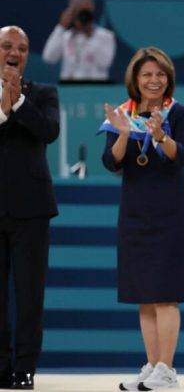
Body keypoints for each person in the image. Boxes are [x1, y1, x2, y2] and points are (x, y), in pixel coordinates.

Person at [100, 47, 184, 391]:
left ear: (168, 77)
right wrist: (124, 132)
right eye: (147, 74)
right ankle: (152, 365)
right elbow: (111, 162)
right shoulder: (122, 113)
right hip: (134, 212)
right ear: (135, 79)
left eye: (159, 74)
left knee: (166, 293)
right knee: (143, 293)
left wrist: (160, 135)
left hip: (172, 211)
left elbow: (182, 155)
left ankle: (166, 369)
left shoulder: (180, 112)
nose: (154, 80)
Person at [0, 25, 59, 390]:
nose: (14, 52)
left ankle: (24, 369)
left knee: (29, 293)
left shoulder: (43, 93)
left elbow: (49, 131)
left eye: (21, 48)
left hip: (32, 210)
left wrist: (18, 102)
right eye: (7, 46)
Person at [42, 0, 116, 81]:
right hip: (69, 87)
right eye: (77, 5)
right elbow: (49, 57)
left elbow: (104, 63)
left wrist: (90, 35)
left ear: (92, 8)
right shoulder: (66, 36)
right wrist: (61, 27)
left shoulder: (106, 36)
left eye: (85, 5)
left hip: (96, 87)